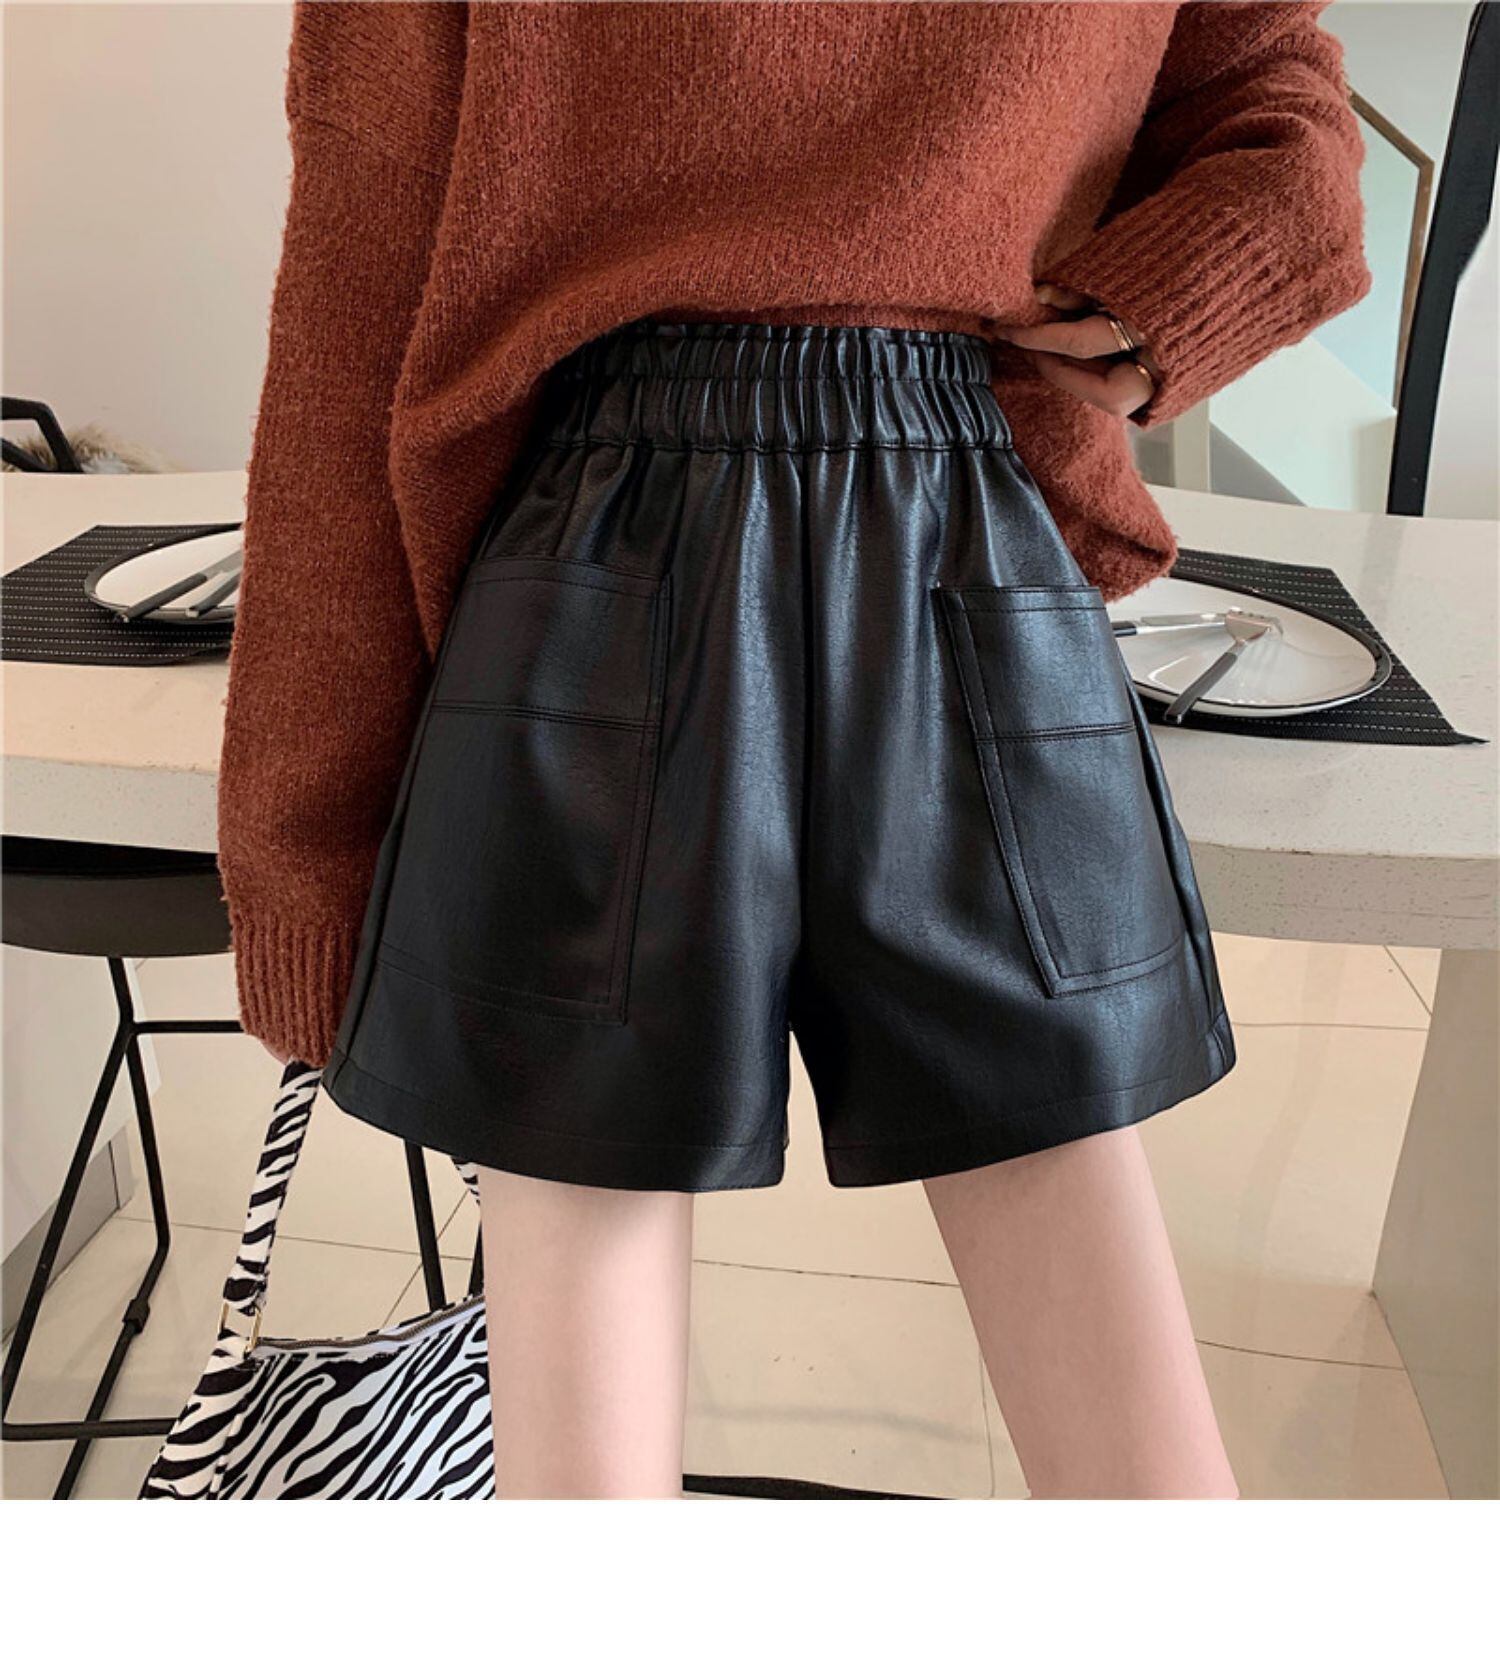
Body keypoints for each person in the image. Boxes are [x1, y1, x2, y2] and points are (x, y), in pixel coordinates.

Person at [219, 1, 1370, 1499]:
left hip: (611, 558)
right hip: (950, 530)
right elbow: (1278, 98)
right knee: (1108, 1360)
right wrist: (1193, 275)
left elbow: (353, 310)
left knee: (587, 1409)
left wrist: (307, 851)